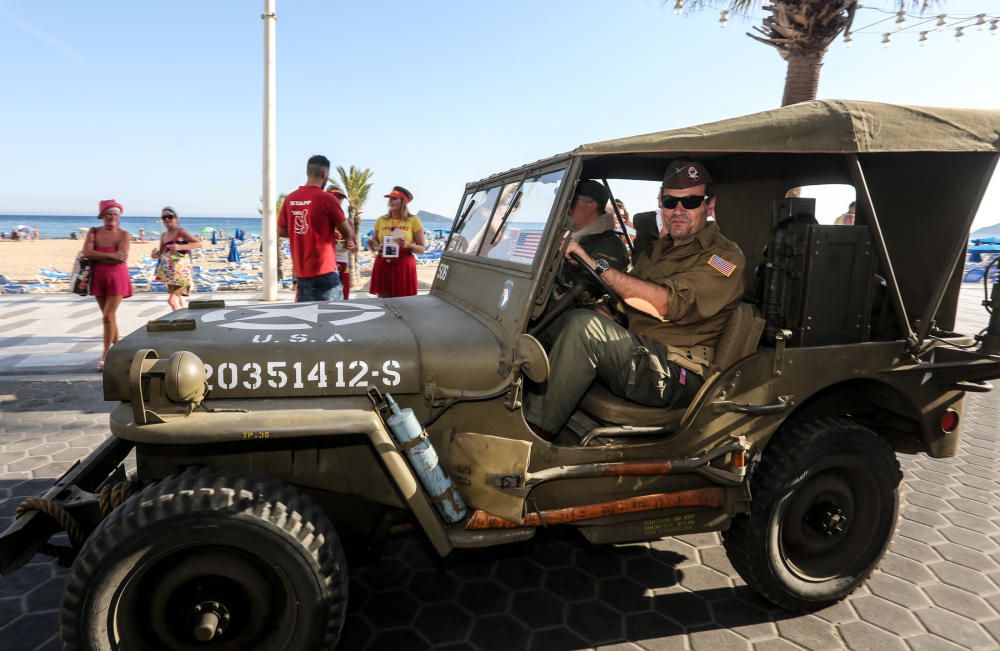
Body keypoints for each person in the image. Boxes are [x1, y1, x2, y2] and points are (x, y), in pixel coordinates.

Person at [525, 160, 746, 440]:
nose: (678, 211)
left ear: (709, 205)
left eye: (690, 202)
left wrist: (596, 265)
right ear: (660, 202)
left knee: (585, 329)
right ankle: (511, 405)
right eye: (670, 201)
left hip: (677, 370)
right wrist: (609, 311)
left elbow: (664, 303)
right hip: (640, 348)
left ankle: (533, 440)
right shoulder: (659, 251)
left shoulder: (724, 259)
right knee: (552, 315)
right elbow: (629, 295)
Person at [277, 155, 356, 302]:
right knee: (333, 320)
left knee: (306, 322)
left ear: (308, 172)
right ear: (325, 175)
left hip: (302, 276)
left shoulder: (290, 199)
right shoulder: (327, 199)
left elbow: (281, 231)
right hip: (325, 275)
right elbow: (347, 233)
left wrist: (303, 233)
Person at [84, 199, 133, 371]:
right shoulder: (93, 232)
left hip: (117, 278)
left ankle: (106, 354)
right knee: (109, 318)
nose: (112, 217)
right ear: (102, 216)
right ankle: (120, 349)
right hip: (98, 278)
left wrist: (97, 255)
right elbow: (86, 252)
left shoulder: (124, 234)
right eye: (109, 214)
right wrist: (112, 256)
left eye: (115, 214)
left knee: (107, 316)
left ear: (119, 217)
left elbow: (123, 255)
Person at [368, 186, 425, 298]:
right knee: (383, 303)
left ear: (403, 201)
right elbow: (377, 244)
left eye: (395, 198)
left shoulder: (413, 220)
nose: (391, 201)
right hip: (383, 263)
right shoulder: (381, 220)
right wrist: (372, 244)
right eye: (390, 198)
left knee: (404, 304)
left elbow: (422, 249)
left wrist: (407, 245)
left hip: (403, 265)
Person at [152, 206, 201, 310]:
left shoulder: (180, 232)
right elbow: (162, 252)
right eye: (164, 217)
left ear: (176, 218)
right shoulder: (164, 235)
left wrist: (180, 247)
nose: (167, 219)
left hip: (181, 273)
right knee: (179, 300)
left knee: (172, 301)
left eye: (170, 216)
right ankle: (185, 320)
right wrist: (155, 254)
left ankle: (180, 322)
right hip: (170, 274)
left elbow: (198, 243)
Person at [328, 186, 353, 299]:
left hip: (344, 264)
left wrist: (352, 246)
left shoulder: (347, 222)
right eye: (335, 197)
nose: (338, 200)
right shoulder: (323, 221)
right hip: (328, 265)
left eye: (340, 198)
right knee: (329, 297)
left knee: (345, 297)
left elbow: (355, 248)